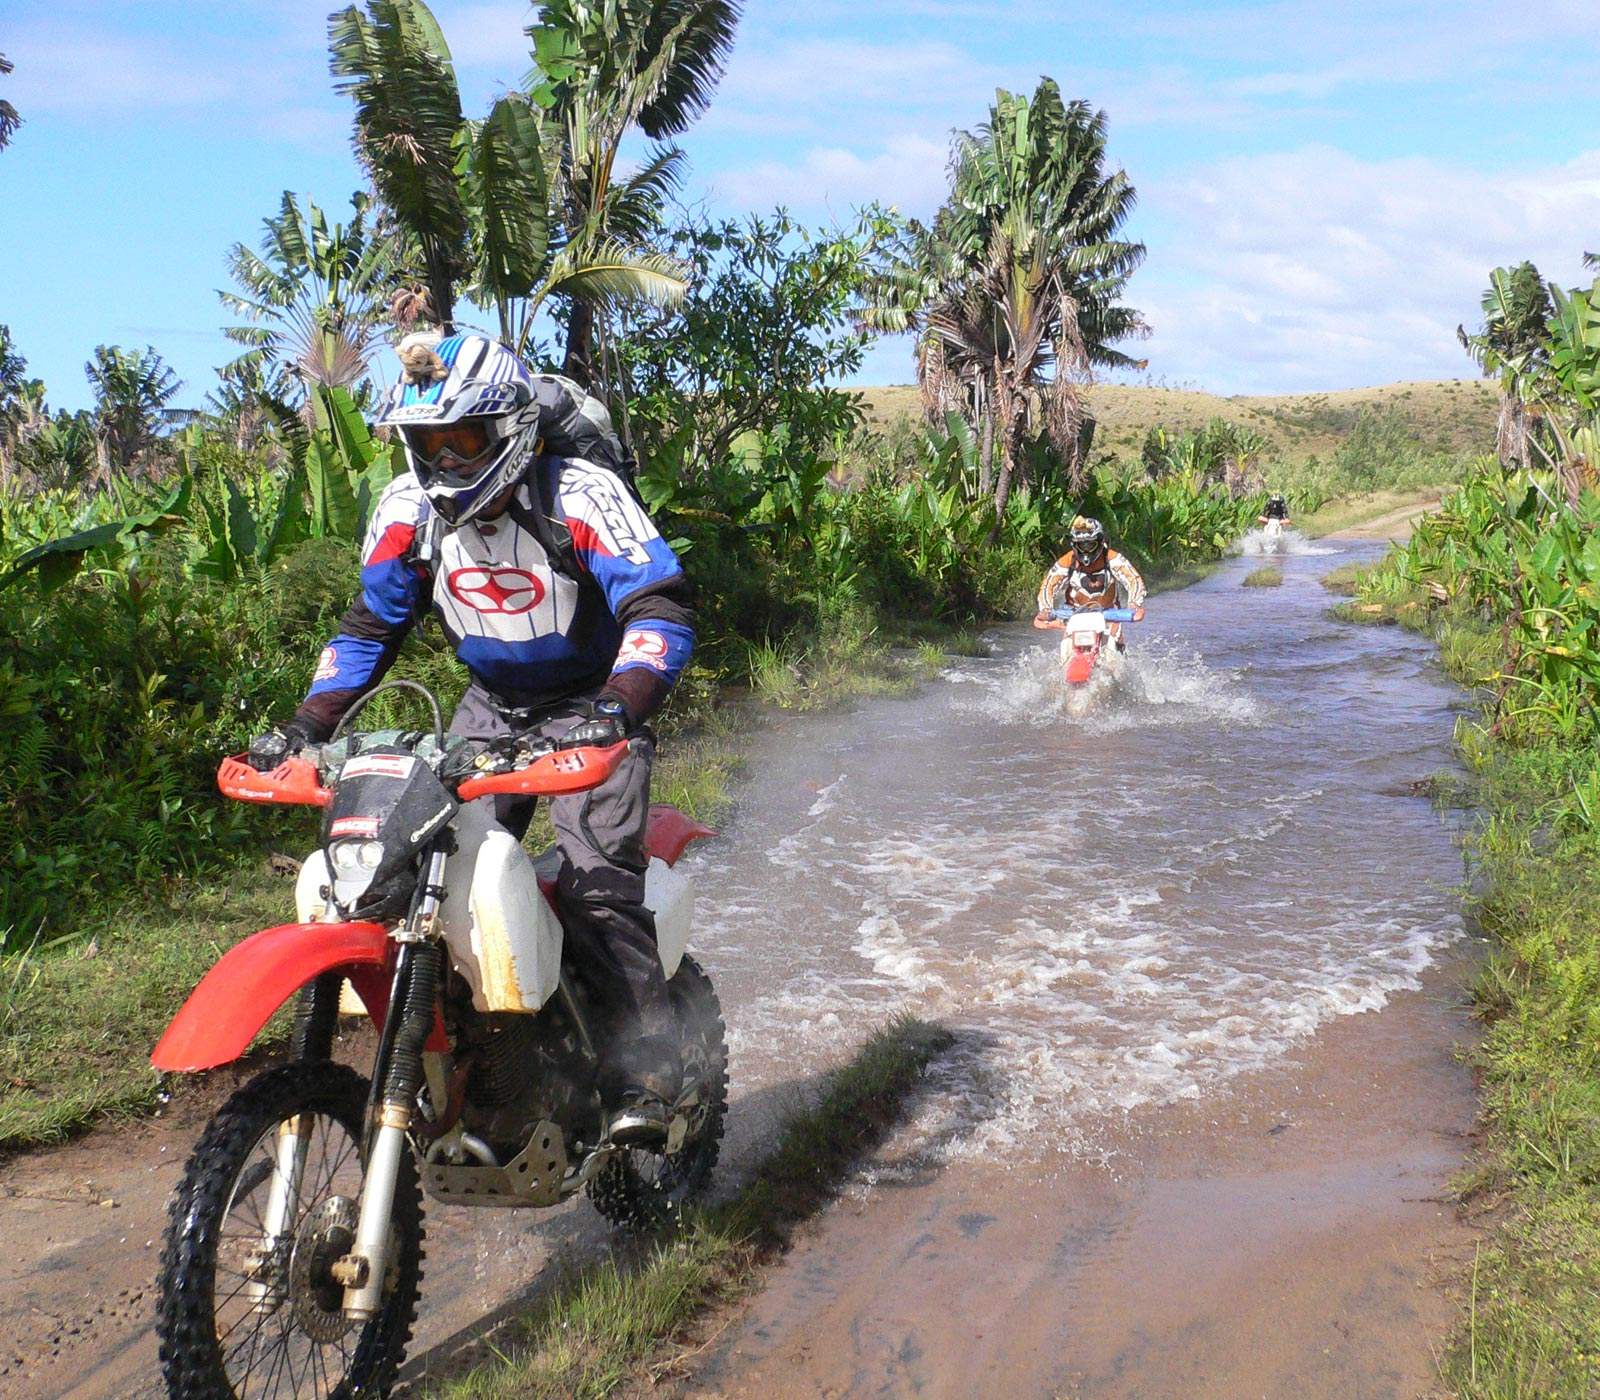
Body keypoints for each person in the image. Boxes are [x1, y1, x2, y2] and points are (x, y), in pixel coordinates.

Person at [247, 333, 696, 1147]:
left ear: (512, 430)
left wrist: (618, 709)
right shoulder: (405, 512)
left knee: (596, 885)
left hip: (592, 707)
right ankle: (487, 1066)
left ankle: (647, 1072)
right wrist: (306, 725)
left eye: (463, 439)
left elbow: (658, 607)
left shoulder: (581, 494)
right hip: (488, 708)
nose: (447, 462)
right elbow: (369, 627)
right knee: (419, 876)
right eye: (429, 444)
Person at [1033, 515, 1146, 647]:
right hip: (1075, 615)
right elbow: (1049, 585)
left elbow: (1133, 579)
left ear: (1099, 542)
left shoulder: (1112, 558)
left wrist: (1134, 603)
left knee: (1113, 647)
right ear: (1074, 545)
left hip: (1109, 615)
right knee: (1066, 648)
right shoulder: (1068, 561)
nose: (1085, 550)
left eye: (1090, 545)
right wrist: (1046, 608)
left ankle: (1120, 656)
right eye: (1081, 545)